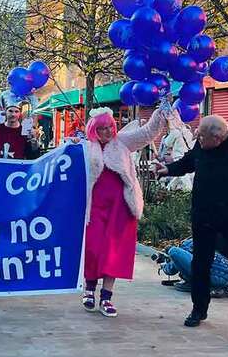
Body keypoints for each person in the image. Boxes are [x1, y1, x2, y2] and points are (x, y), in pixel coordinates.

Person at [154, 115, 228, 339]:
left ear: (217, 138)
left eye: (202, 135)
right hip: (203, 219)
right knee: (200, 266)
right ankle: (199, 309)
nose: (197, 137)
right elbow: (188, 162)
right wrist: (167, 170)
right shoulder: (202, 147)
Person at [80, 102, 178, 317]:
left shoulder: (122, 142)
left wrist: (160, 112)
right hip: (94, 208)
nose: (106, 131)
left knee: (113, 252)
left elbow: (148, 133)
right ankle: (89, 288)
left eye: (109, 127)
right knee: (93, 248)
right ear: (93, 129)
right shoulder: (84, 148)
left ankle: (106, 296)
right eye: (101, 128)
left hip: (120, 207)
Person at [0, 93, 40, 159]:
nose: (13, 114)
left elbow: (32, 157)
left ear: (20, 113)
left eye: (16, 111)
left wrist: (34, 143)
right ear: (5, 112)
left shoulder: (26, 133)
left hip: (18, 169)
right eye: (10, 111)